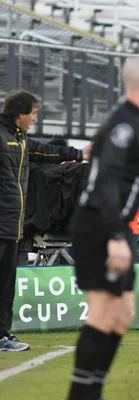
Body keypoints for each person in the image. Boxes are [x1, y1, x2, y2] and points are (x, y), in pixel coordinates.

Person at [66, 55, 139, 399]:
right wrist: (115, 237)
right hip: (99, 225)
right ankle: (83, 394)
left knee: (123, 313)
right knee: (103, 311)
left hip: (114, 225)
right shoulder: (124, 124)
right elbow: (106, 182)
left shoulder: (137, 122)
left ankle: (92, 388)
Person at [0, 90, 91, 352]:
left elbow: (44, 151)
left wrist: (78, 154)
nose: (35, 119)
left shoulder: (21, 139)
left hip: (12, 226)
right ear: (20, 114)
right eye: (34, 113)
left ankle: (3, 335)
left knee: (6, 288)